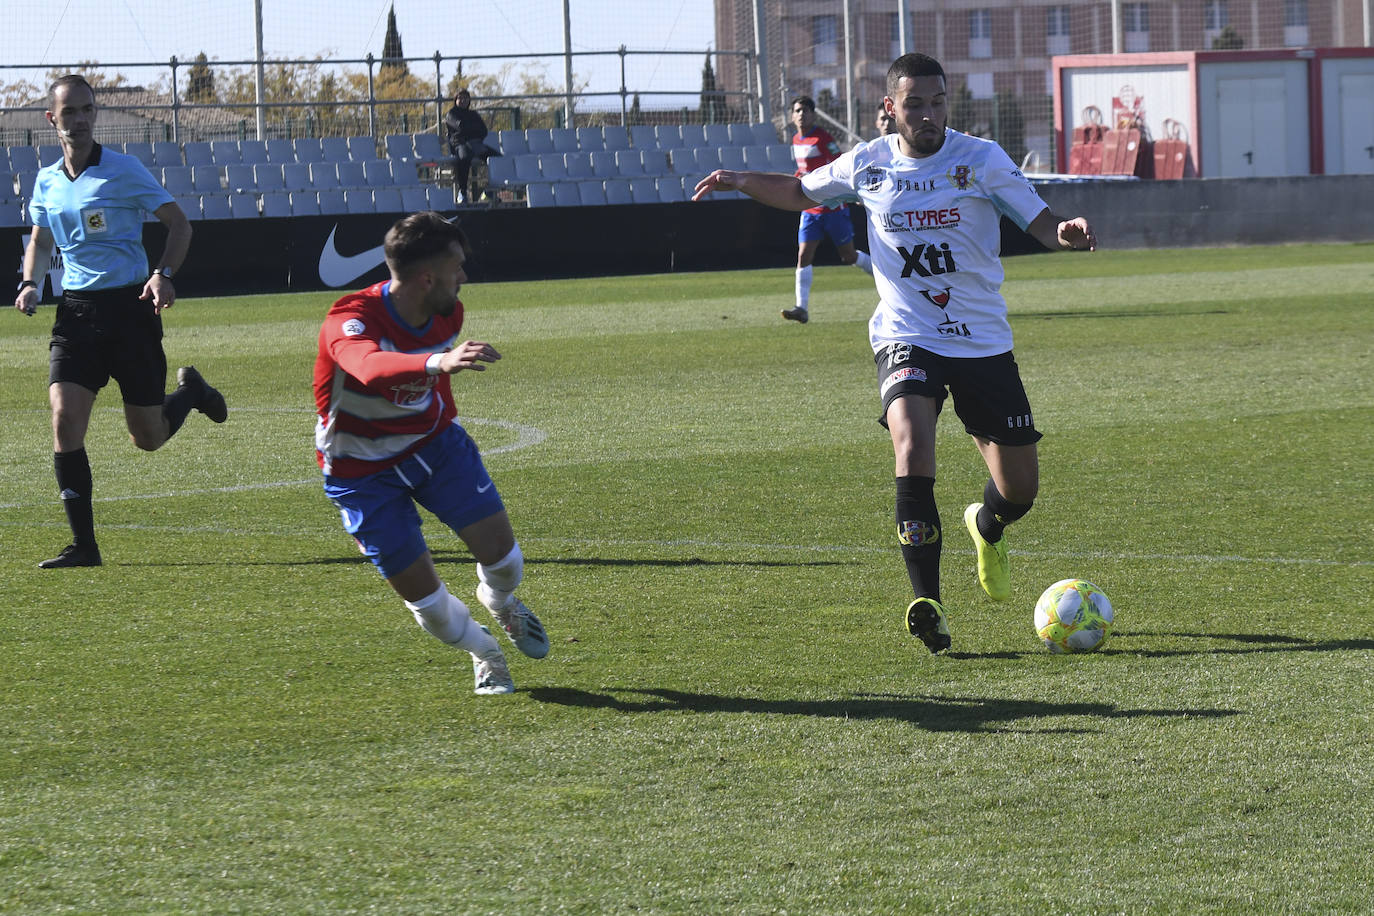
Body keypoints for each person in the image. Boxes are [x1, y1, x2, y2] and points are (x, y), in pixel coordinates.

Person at [694, 54, 1096, 653]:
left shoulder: (982, 158)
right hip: (906, 334)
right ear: (890, 108)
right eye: (915, 104)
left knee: (1019, 491)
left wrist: (1063, 234)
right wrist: (741, 180)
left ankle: (988, 526)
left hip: (982, 339)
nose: (928, 115)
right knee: (912, 441)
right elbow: (801, 192)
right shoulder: (867, 164)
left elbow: (1039, 221)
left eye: (937, 103)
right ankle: (927, 600)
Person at [314, 211, 549, 695]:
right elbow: (371, 366)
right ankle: (483, 651)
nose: (464, 276)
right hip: (361, 473)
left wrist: (449, 419)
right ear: (427, 277)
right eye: (457, 266)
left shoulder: (449, 311)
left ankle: (498, 600)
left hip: (434, 446)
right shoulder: (349, 320)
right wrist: (438, 360)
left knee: (506, 561)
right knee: (431, 611)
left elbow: (431, 386)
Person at [14, 74, 227, 570]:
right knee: (64, 419)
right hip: (76, 315)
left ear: (96, 114)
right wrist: (29, 283)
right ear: (53, 120)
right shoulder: (46, 181)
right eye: (70, 112)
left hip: (130, 311)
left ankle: (192, 392)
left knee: (147, 437)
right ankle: (84, 547)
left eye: (88, 110)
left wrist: (163, 274)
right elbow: (41, 241)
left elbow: (180, 224)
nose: (80, 120)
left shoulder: (124, 170)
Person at [781, 95, 874, 325]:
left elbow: (837, 164)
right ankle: (801, 308)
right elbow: (804, 169)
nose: (801, 114)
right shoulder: (796, 139)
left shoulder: (823, 138)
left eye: (805, 110)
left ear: (813, 114)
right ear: (792, 116)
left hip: (833, 208)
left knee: (849, 256)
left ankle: (890, 280)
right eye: (797, 110)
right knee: (803, 255)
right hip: (810, 208)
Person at [443, 89, 500, 205]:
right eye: (460, 98)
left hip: (476, 144)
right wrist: (472, 130)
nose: (463, 100)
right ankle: (462, 192)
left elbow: (483, 130)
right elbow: (461, 127)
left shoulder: (473, 114)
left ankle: (489, 192)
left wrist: (471, 132)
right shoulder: (451, 114)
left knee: (498, 159)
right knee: (464, 158)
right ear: (456, 100)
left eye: (465, 98)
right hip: (459, 144)